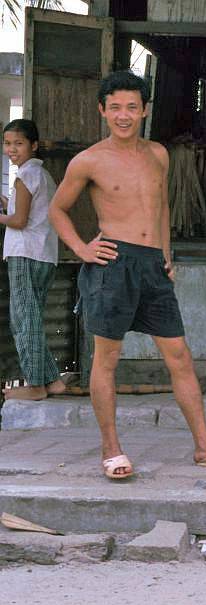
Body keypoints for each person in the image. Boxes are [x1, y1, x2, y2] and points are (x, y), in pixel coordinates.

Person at [48, 71, 206, 480]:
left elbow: (161, 207)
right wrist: (82, 249)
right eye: (115, 107)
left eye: (132, 107)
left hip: (153, 266)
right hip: (114, 264)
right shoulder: (89, 160)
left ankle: (204, 447)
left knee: (180, 356)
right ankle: (111, 450)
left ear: (145, 110)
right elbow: (56, 209)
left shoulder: (158, 154)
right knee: (107, 360)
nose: (124, 115)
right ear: (102, 110)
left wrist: (166, 254)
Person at [0, 119, 66, 400]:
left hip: (25, 253)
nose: (11, 149)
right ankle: (52, 380)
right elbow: (27, 212)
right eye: (7, 143)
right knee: (32, 319)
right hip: (42, 254)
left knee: (23, 320)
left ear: (33, 145)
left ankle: (36, 386)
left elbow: (18, 221)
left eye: (18, 143)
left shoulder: (25, 176)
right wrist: (7, 204)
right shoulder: (41, 175)